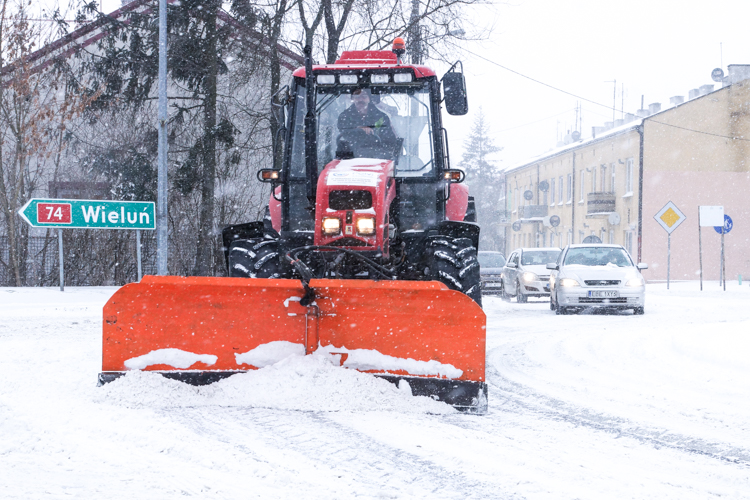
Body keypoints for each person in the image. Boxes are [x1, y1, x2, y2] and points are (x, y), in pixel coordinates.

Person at [337, 88, 398, 159]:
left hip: (376, 158)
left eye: (364, 96)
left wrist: (372, 134)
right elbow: (343, 133)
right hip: (348, 158)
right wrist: (357, 129)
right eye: (357, 96)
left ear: (369, 98)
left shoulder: (381, 117)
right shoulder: (344, 116)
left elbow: (389, 142)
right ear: (352, 99)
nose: (360, 99)